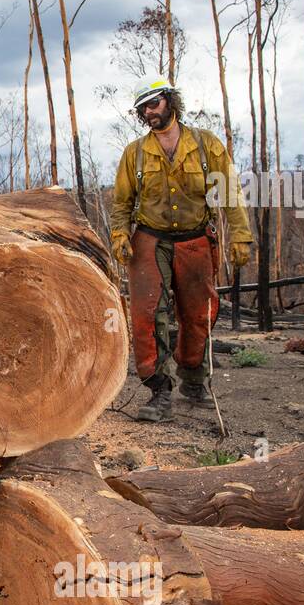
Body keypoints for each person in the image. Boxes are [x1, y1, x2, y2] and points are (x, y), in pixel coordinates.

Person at [110, 75, 253, 422]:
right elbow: (121, 203)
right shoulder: (136, 154)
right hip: (150, 239)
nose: (149, 111)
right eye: (143, 108)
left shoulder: (206, 145)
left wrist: (241, 235)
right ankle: (159, 389)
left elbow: (231, 193)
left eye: (154, 103)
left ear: (171, 101)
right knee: (146, 315)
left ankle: (193, 381)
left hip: (195, 240)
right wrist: (119, 235)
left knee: (198, 313)